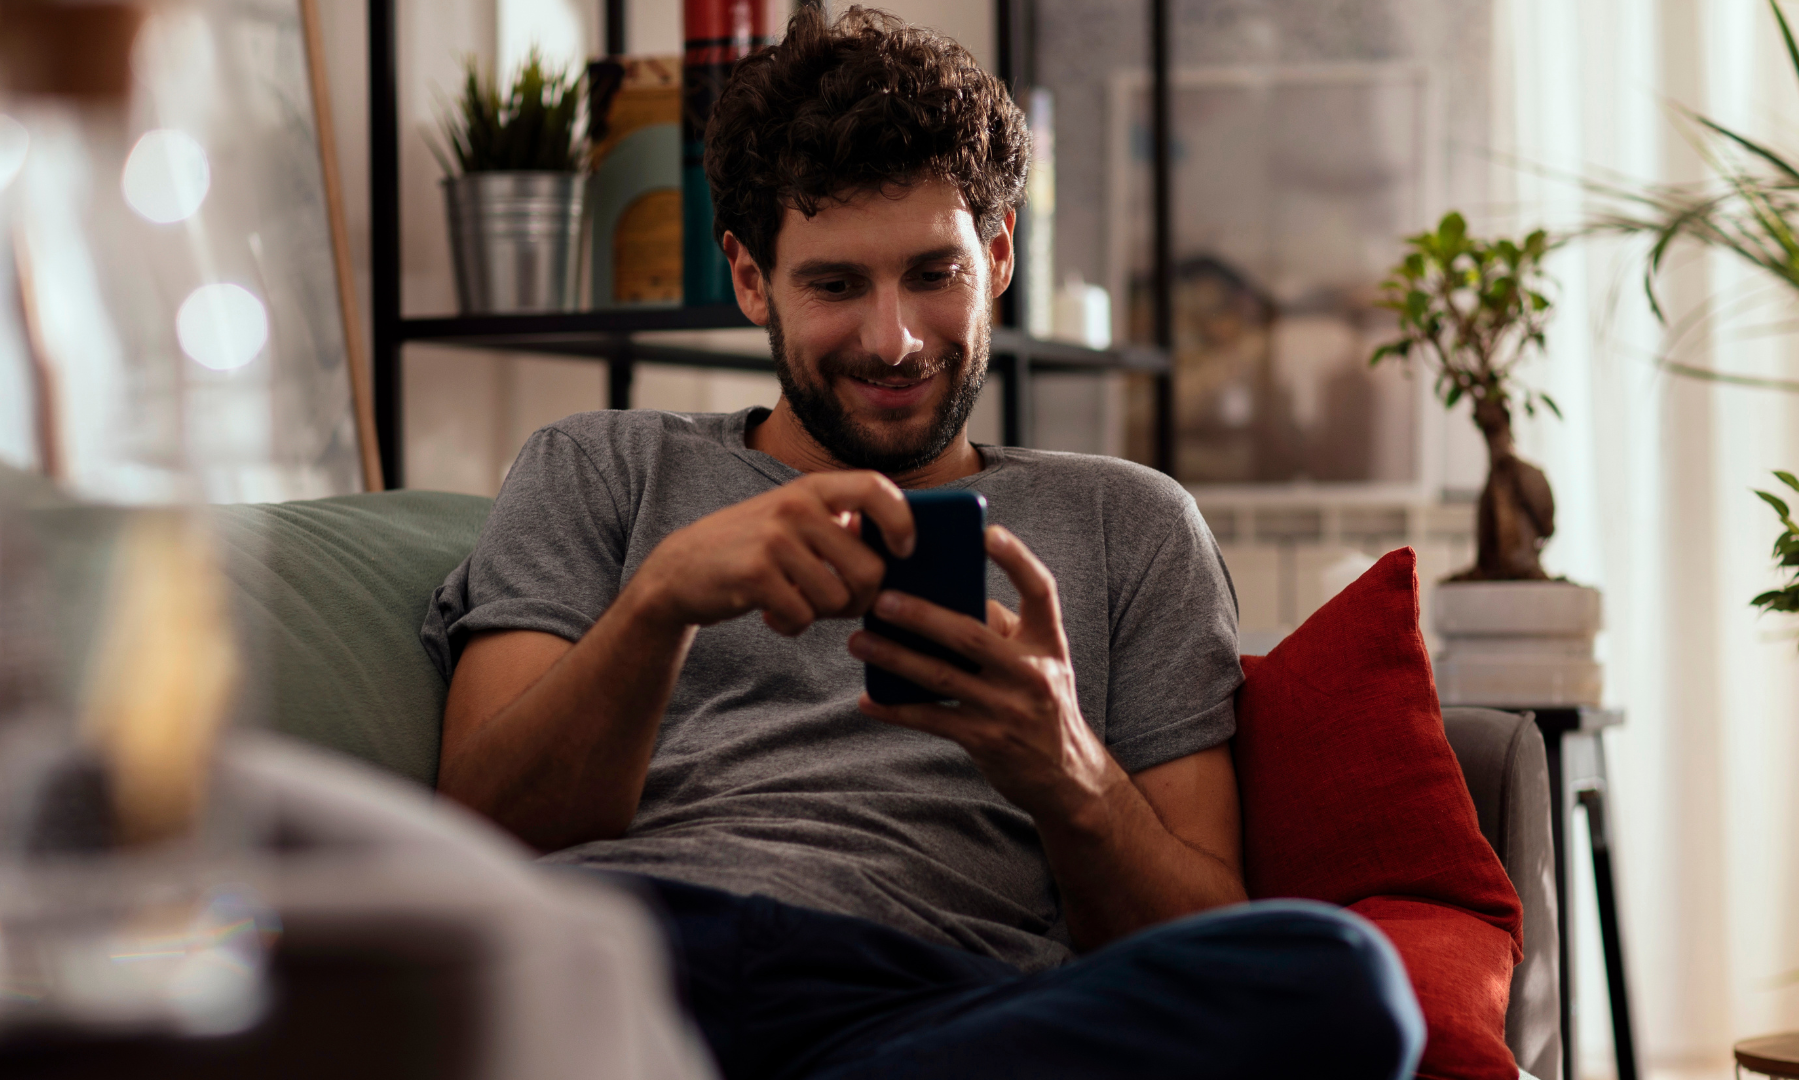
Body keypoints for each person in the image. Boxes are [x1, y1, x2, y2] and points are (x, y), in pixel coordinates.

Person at [421, 7, 1424, 1078]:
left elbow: (1200, 935)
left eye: (933, 274)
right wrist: (659, 603)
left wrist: (1066, 767)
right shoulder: (601, 466)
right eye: (835, 285)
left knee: (1339, 976)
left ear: (998, 254)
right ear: (752, 280)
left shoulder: (1131, 524)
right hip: (628, 957)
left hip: (932, 1008)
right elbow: (477, 835)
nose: (894, 341)